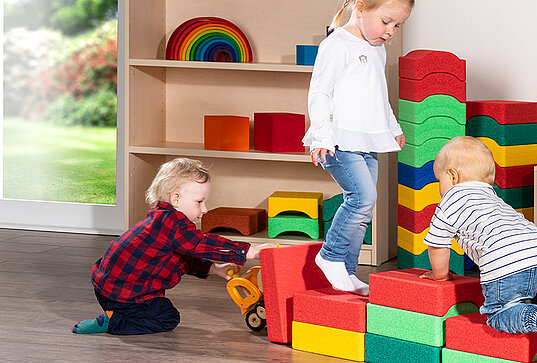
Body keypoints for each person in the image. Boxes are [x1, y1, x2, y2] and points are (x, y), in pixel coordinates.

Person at [419, 136, 537, 362]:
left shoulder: (451, 199)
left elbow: (438, 243)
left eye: (440, 180)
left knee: (500, 312)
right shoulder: (492, 196)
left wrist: (440, 275)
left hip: (506, 260)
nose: (441, 187)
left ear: (453, 176)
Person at [73, 158, 276, 335]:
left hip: (111, 287)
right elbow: (201, 244)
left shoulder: (164, 220)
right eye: (199, 202)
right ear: (176, 199)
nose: (204, 209)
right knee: (167, 317)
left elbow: (182, 258)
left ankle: (116, 314)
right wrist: (248, 251)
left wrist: (214, 268)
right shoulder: (172, 224)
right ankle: (113, 321)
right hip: (122, 294)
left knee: (161, 306)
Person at [303, 0, 414, 295]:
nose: (390, 31)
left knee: (364, 209)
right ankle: (330, 256)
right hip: (339, 139)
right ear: (361, 8)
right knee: (362, 197)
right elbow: (320, 93)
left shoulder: (377, 48)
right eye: (386, 21)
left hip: (366, 141)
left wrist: (393, 128)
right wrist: (322, 138)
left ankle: (348, 273)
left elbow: (378, 95)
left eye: (397, 25)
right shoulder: (337, 44)